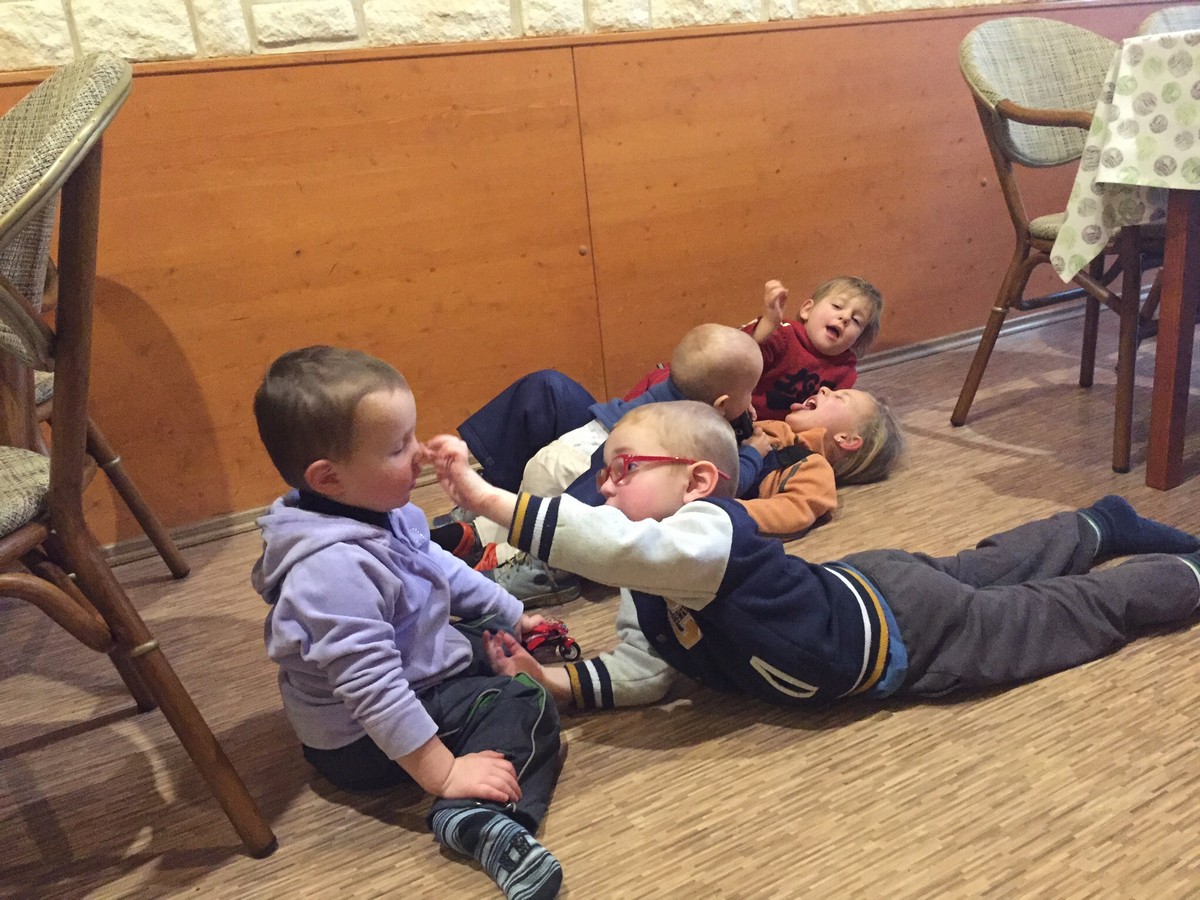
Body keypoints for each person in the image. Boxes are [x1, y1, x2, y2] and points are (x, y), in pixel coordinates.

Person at [428, 400, 1200, 713]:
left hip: (903, 635)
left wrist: (492, 501)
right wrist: (559, 684)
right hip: (868, 584)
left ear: (698, 482)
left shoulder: (705, 531)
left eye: (624, 468)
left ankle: (1184, 577)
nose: (605, 484)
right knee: (985, 565)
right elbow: (647, 665)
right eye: (605, 473)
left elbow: (611, 544)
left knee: (1064, 612)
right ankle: (1100, 523)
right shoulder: (653, 574)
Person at [251, 346, 564, 900]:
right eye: (398, 447)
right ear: (329, 478)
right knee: (526, 703)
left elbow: (438, 568)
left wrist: (512, 614)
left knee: (480, 636)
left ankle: (479, 684)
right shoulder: (332, 571)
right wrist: (445, 774)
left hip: (406, 673)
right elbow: (375, 692)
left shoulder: (377, 509)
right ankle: (477, 818)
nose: (419, 453)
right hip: (362, 741)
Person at [435, 323, 763, 606]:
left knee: (548, 385)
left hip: (565, 452)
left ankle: (480, 521)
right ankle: (547, 565)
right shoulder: (699, 432)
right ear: (721, 404)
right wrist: (754, 453)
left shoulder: (669, 379)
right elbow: (725, 483)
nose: (751, 401)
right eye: (749, 393)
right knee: (626, 477)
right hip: (583, 483)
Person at [625, 277, 885, 421]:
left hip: (751, 427)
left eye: (856, 320)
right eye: (838, 306)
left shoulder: (845, 371)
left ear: (858, 340)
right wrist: (769, 322)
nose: (844, 318)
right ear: (807, 309)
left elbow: (828, 418)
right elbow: (738, 352)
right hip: (715, 397)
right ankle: (621, 419)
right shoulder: (783, 334)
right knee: (666, 386)